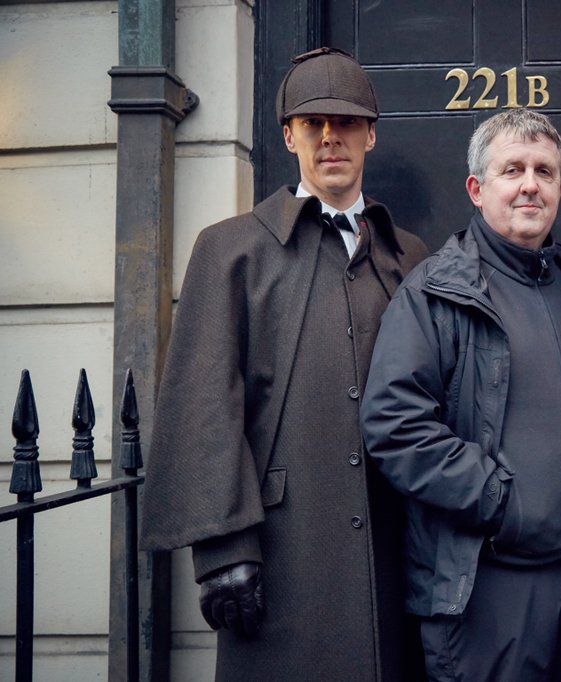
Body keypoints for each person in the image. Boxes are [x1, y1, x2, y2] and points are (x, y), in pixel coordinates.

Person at [139, 47, 429, 681]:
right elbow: (202, 404)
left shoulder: (408, 255)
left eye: (347, 122)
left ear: (371, 135)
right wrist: (223, 550)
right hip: (280, 556)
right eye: (313, 123)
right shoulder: (230, 250)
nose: (331, 138)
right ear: (288, 135)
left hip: (394, 554)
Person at [359, 108, 561, 682]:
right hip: (487, 585)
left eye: (544, 171)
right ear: (478, 189)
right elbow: (394, 427)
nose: (530, 184)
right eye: (513, 169)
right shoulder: (435, 293)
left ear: (560, 188)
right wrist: (502, 500)